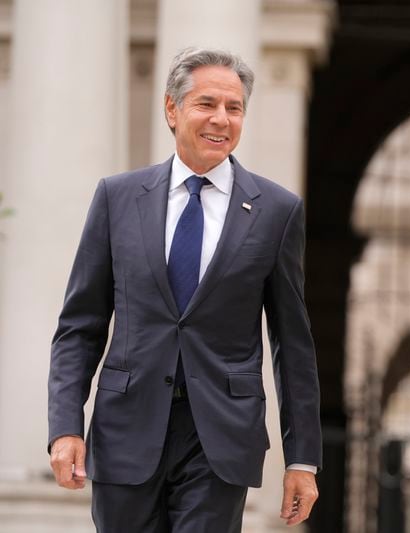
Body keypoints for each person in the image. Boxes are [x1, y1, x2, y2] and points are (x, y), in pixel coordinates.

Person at [47, 47, 322, 532]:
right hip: (126, 429)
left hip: (219, 438)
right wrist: (65, 426)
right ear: (172, 110)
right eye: (207, 104)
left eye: (234, 108)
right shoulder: (118, 197)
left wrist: (303, 459)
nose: (222, 119)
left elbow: (292, 343)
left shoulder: (278, 210)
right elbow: (80, 325)